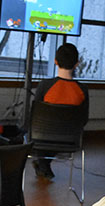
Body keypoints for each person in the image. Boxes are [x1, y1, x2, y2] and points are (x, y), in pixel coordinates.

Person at [32, 43, 89, 179]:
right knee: (59, 131)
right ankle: (43, 165)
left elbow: (33, 116)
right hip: (70, 139)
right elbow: (84, 119)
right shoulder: (82, 90)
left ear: (55, 61)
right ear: (77, 64)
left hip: (41, 137)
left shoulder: (45, 85)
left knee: (41, 130)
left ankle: (43, 164)